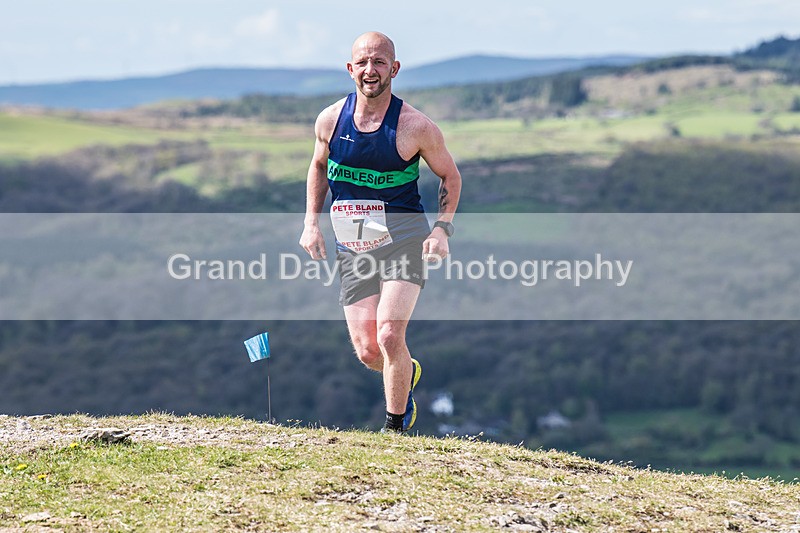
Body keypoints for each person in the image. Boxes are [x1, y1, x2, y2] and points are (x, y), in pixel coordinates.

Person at [299, 31, 461, 433]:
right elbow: (318, 166)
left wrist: (442, 229)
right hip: (353, 243)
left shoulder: (415, 126)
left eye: (379, 62)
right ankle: (408, 370)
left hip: (404, 239)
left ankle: (394, 428)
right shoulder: (330, 120)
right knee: (370, 350)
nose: (370, 70)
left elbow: (451, 176)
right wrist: (310, 223)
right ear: (350, 69)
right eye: (363, 63)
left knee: (389, 335)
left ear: (395, 68)